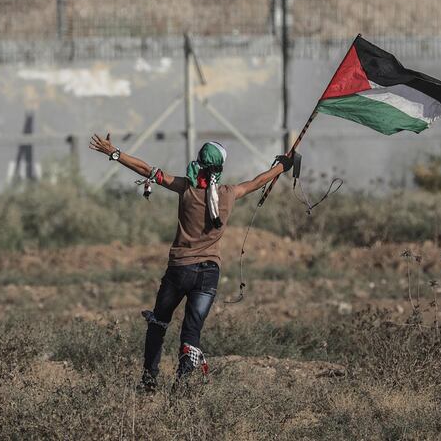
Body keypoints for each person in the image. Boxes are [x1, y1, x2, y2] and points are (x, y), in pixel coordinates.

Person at [89, 133, 292, 391]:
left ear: (198, 161)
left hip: (179, 270)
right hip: (209, 275)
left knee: (158, 323)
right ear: (220, 167)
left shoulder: (184, 187)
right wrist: (283, 166)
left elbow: (146, 170)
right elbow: (259, 180)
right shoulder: (229, 194)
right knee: (191, 334)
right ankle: (181, 387)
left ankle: (149, 382)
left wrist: (114, 152)